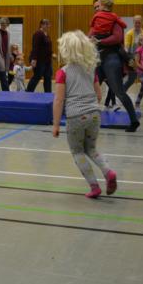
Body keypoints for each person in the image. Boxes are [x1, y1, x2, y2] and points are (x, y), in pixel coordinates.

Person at [52, 30, 117, 199]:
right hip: (94, 114)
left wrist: (56, 124)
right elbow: (99, 95)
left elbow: (59, 100)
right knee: (92, 148)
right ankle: (108, 171)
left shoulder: (63, 72)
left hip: (75, 116)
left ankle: (94, 186)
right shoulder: (90, 69)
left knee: (77, 151)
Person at [89, 0, 140, 132]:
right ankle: (87, 118)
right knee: (91, 89)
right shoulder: (97, 21)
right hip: (98, 59)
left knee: (119, 91)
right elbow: (90, 36)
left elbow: (117, 38)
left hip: (111, 59)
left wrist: (100, 41)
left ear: (104, 6)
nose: (97, 9)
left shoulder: (114, 20)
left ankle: (134, 121)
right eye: (95, 7)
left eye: (98, 6)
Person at [26, 19, 54, 92]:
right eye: (46, 24)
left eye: (48, 24)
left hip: (47, 61)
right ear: (41, 25)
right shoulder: (38, 33)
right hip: (39, 60)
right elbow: (35, 47)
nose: (48, 26)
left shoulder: (47, 34)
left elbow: (47, 47)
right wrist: (34, 59)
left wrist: (52, 54)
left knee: (48, 78)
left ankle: (48, 94)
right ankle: (28, 92)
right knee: (37, 77)